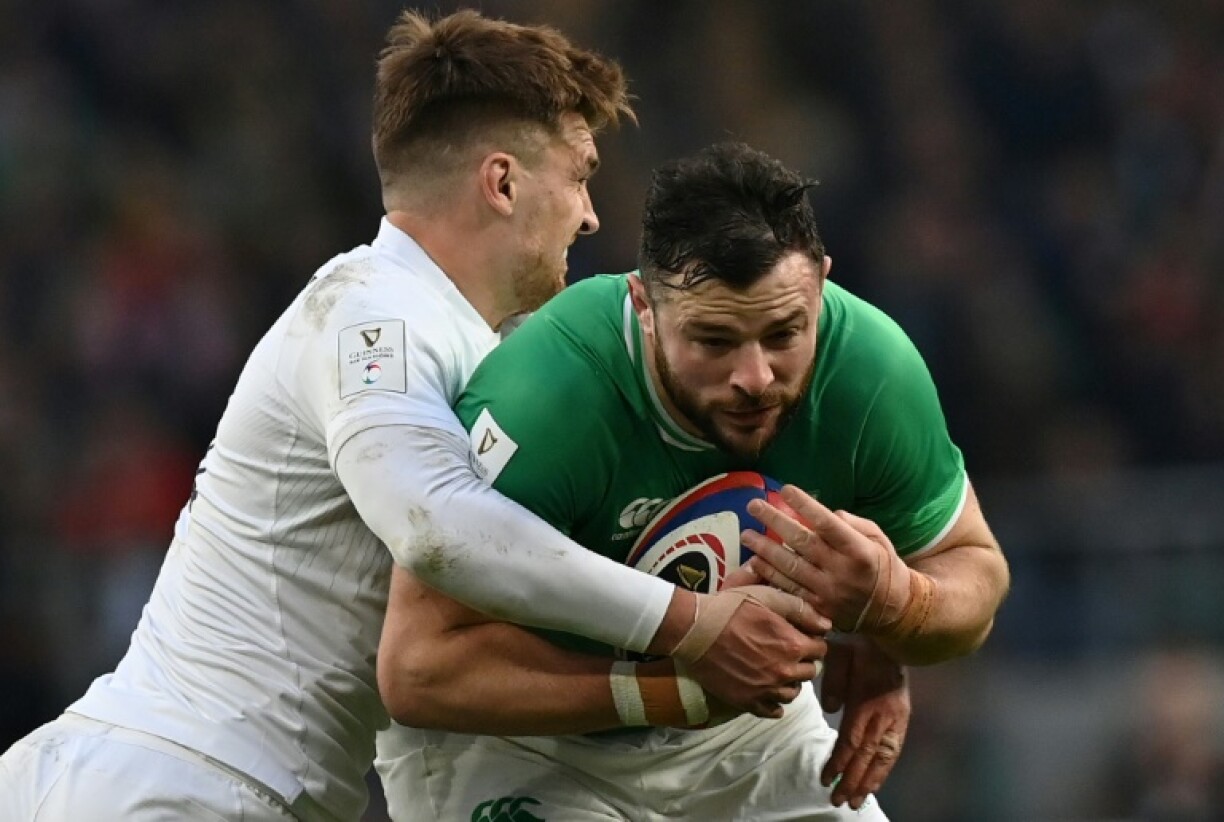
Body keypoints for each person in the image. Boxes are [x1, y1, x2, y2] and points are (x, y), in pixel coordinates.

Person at [0, 15, 826, 822]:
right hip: (179, 783)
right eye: (579, 175)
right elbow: (437, 527)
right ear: (502, 183)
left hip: (160, 777)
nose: (590, 215)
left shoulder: (471, 347)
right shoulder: (374, 314)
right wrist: (690, 624)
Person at [374, 141, 1011, 820]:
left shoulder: (871, 371)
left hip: (739, 728)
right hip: (521, 741)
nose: (755, 378)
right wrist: (673, 690)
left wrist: (890, 605)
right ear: (643, 304)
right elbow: (418, 670)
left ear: (821, 286)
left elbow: (973, 570)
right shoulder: (550, 400)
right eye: (714, 341)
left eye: (783, 334)